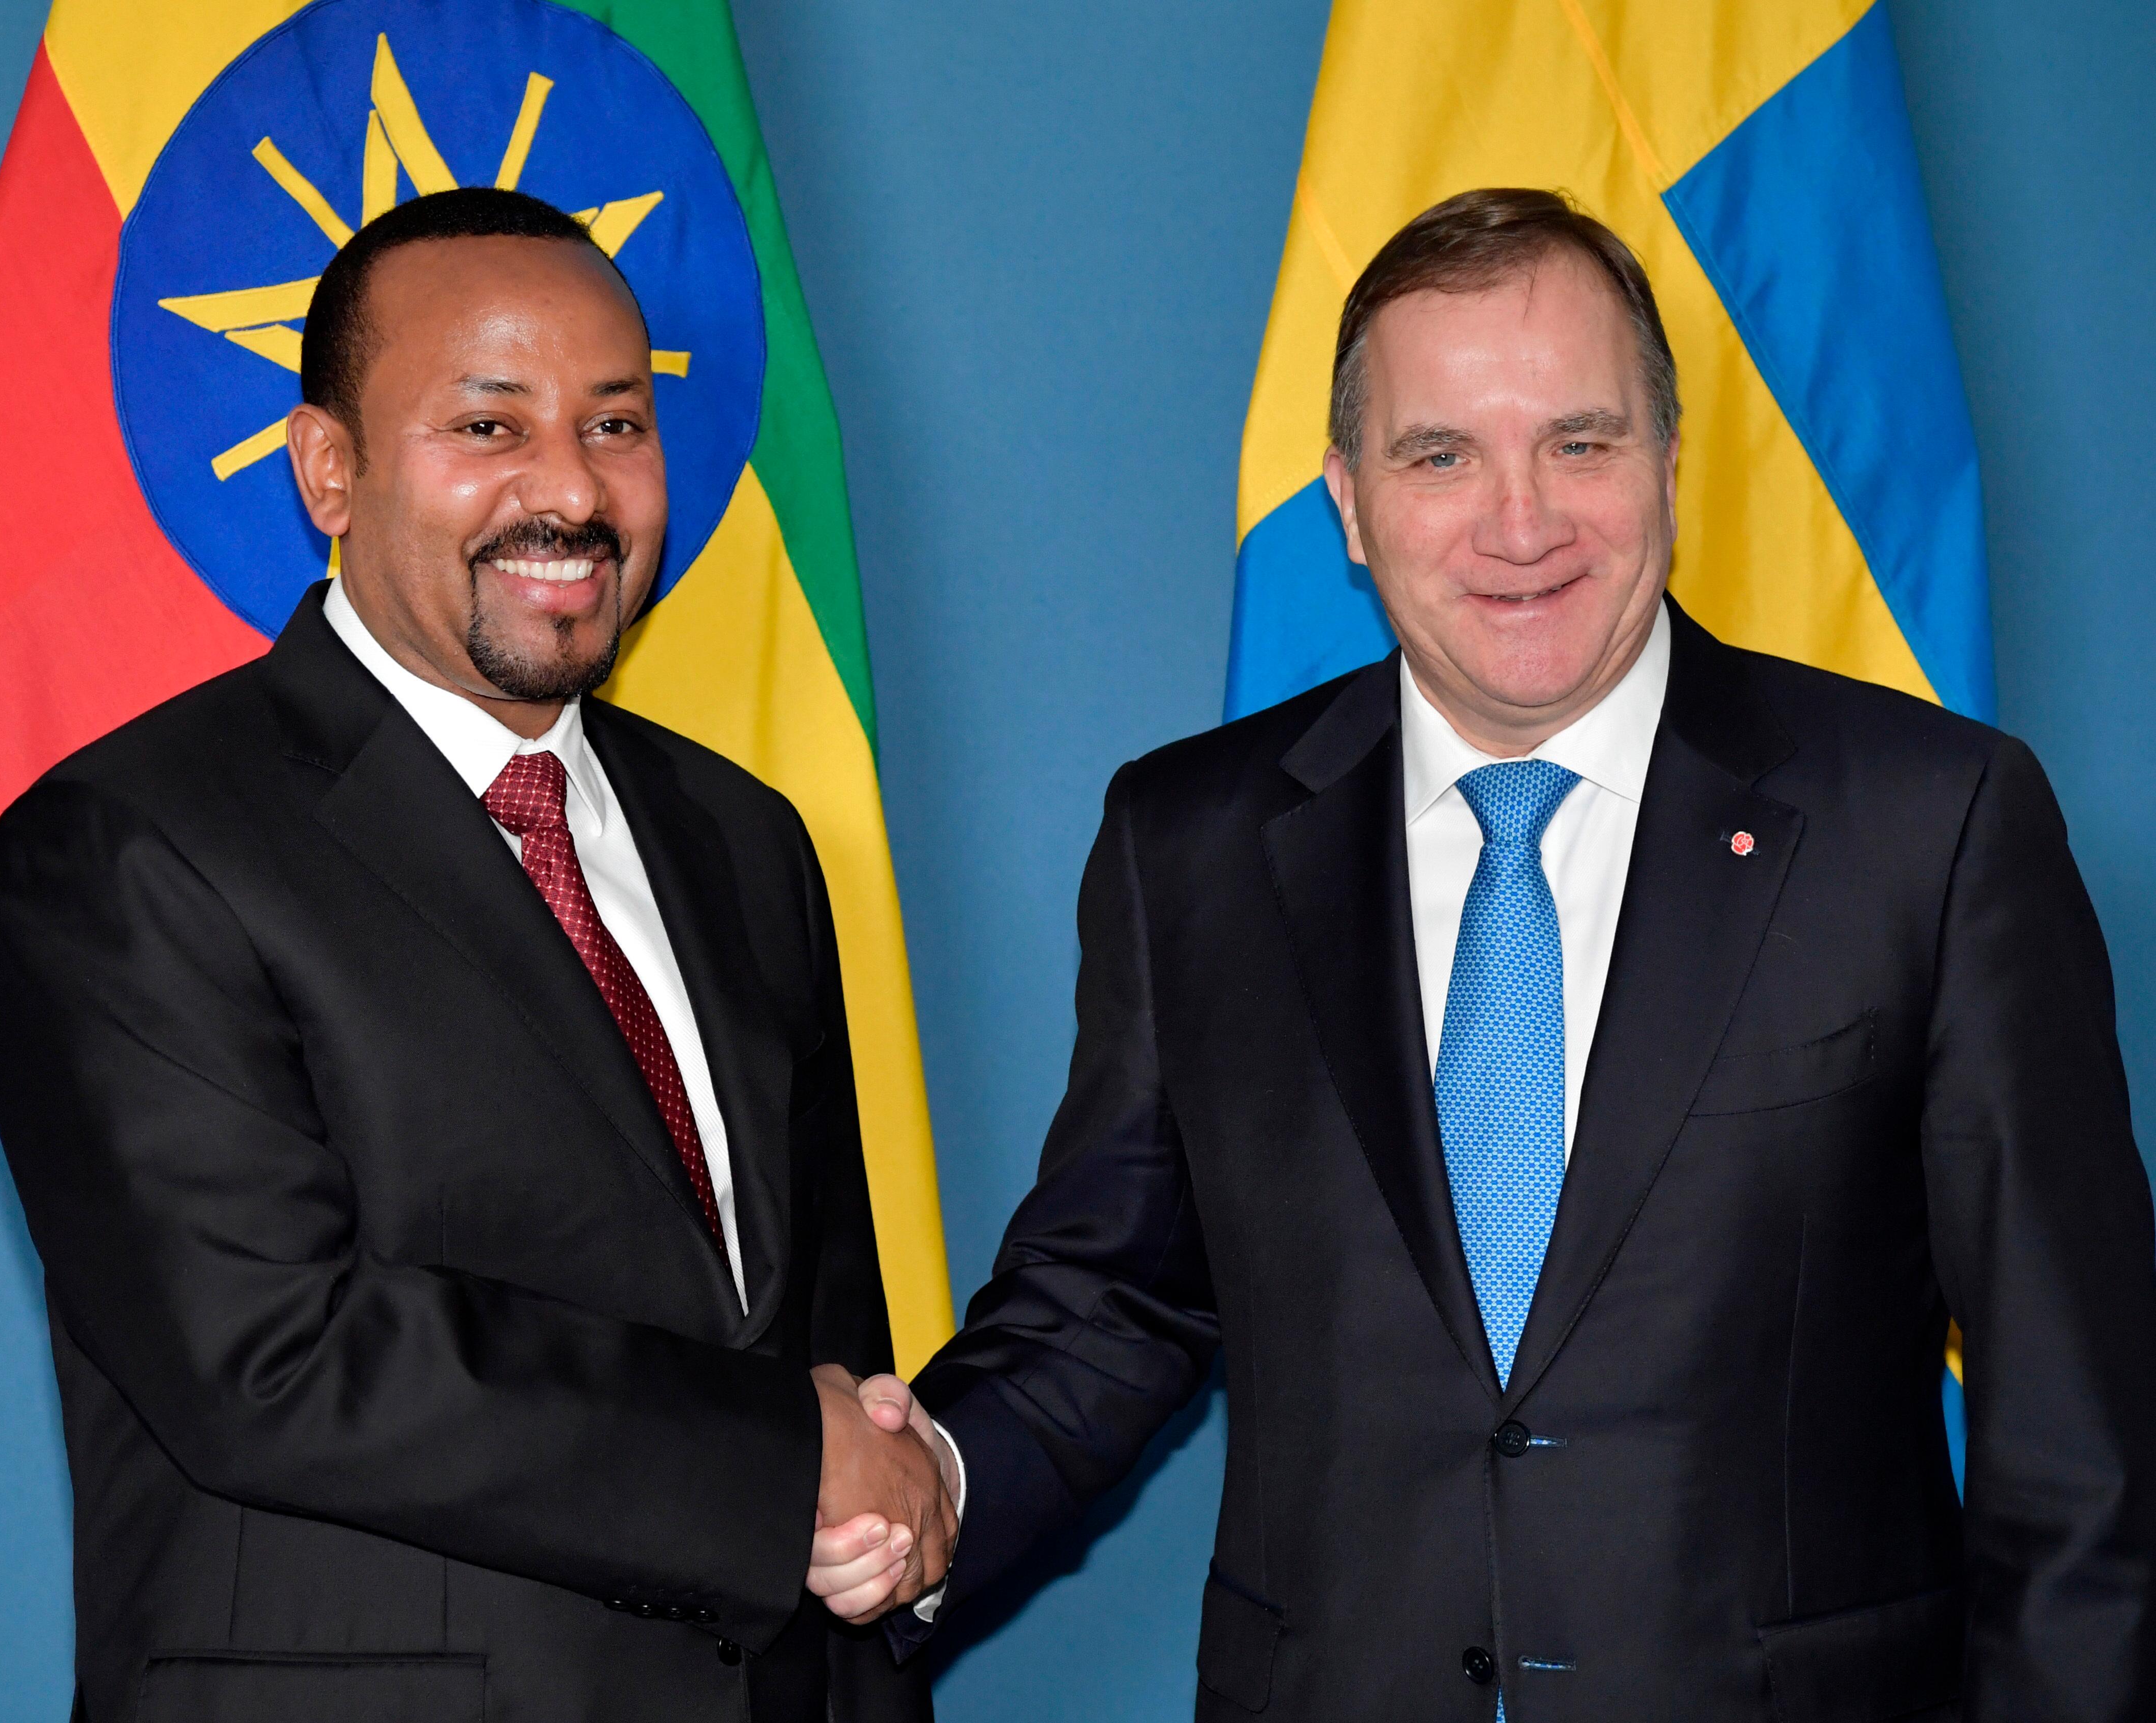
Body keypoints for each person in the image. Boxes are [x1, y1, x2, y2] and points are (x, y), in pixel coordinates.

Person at [818, 188, 2156, 1717]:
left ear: (1667, 457)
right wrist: (931, 1476)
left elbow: (2081, 1442)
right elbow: (1115, 1296)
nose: (1521, 524)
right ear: (1348, 498)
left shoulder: (1928, 823)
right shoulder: (1188, 842)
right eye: (1440, 455)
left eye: (1579, 442)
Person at [0, 187, 951, 1723]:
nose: (569, 489)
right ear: (329, 472)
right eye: (488, 428)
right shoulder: (128, 845)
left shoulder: (744, 838)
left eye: (617, 424)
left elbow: (827, 1354)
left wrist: (879, 1511)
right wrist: (780, 1464)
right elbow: (272, 1360)